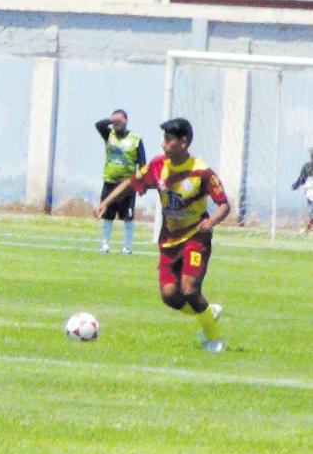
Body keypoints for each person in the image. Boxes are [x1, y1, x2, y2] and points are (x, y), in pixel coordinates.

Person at [94, 118, 229, 352]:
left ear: (183, 142)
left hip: (196, 237)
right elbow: (131, 183)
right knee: (170, 296)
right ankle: (208, 313)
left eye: (168, 139)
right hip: (169, 241)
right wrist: (106, 202)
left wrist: (212, 221)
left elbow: (224, 205)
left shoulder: (201, 171)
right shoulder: (158, 166)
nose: (163, 144)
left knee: (189, 289)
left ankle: (213, 337)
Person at [95, 109, 146, 254]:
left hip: (127, 185)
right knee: (107, 215)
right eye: (114, 121)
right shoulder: (109, 134)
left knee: (128, 217)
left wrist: (141, 183)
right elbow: (99, 125)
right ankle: (105, 245)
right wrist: (112, 120)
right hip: (110, 181)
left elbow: (142, 163)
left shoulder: (135, 139)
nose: (116, 124)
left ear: (126, 121)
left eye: (119, 120)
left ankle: (127, 247)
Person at [291, 147, 313, 235]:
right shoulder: (307, 167)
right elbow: (302, 179)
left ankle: (306, 230)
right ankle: (306, 230)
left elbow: (302, 179)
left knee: (311, 213)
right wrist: (296, 185)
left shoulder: (306, 166)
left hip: (309, 194)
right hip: (310, 194)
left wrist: (296, 185)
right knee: (311, 213)